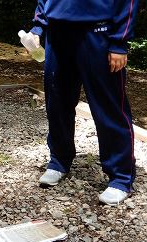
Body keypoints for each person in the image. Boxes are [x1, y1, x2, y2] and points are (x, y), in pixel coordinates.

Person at [29, 0, 139, 205]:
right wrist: (38, 27)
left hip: (99, 32)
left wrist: (119, 41)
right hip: (57, 33)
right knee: (57, 102)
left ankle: (121, 177)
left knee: (109, 107)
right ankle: (59, 160)